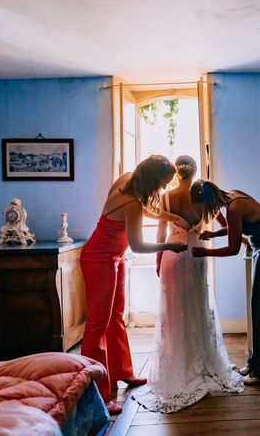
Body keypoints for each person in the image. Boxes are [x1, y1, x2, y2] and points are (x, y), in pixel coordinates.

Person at [80, 155, 189, 415]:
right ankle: (98, 396)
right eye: (161, 185)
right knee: (97, 326)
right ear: (151, 180)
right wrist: (168, 245)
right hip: (98, 259)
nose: (161, 189)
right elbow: (139, 245)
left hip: (114, 258)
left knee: (116, 317)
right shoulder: (131, 203)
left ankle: (123, 372)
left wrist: (172, 216)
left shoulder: (128, 180)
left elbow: (149, 209)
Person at [133, 157, 243, 412]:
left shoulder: (167, 197)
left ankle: (177, 367)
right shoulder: (203, 196)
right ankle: (202, 362)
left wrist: (158, 259)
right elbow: (225, 226)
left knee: (174, 312)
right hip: (198, 254)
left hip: (173, 254)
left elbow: (161, 234)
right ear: (193, 173)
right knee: (198, 307)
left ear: (176, 174)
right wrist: (206, 233)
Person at [190, 180, 260, 384]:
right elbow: (236, 227)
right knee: (259, 305)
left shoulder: (234, 207)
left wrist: (204, 252)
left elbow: (233, 249)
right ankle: (258, 363)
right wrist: (215, 233)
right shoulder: (232, 196)